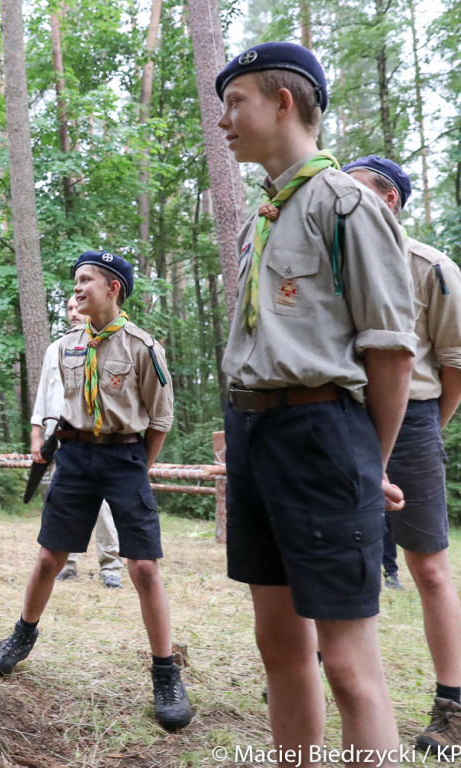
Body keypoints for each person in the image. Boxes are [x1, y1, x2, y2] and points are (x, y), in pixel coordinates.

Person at [216, 43, 417, 765]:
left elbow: (391, 351)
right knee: (280, 646)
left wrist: (372, 461)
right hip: (254, 430)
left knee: (349, 662)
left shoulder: (347, 206)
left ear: (283, 102)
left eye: (235, 101)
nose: (224, 120)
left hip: (322, 432)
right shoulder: (263, 216)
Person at [0, 250, 190, 732]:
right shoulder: (65, 346)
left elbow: (159, 419)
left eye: (85, 281)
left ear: (113, 287)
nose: (76, 289)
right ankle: (22, 635)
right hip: (74, 457)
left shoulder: (144, 347)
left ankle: (166, 672)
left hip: (125, 458)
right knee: (48, 559)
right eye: (75, 280)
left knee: (143, 566)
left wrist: (142, 467)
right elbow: (56, 403)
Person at [344, 154, 461, 751]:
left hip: (412, 418)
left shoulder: (432, 268)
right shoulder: (333, 261)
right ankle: (329, 666)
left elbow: (456, 363)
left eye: (354, 189)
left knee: (429, 565)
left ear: (388, 199)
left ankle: (453, 705)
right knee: (335, 548)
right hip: (340, 416)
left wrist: (423, 431)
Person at [33, 295, 124, 589]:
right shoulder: (55, 349)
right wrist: (37, 432)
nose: (73, 313)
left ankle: (111, 565)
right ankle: (66, 563)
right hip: (57, 437)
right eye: (69, 308)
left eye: (77, 308)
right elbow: (44, 393)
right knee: (61, 503)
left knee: (104, 506)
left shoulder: (106, 346)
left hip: (92, 437)